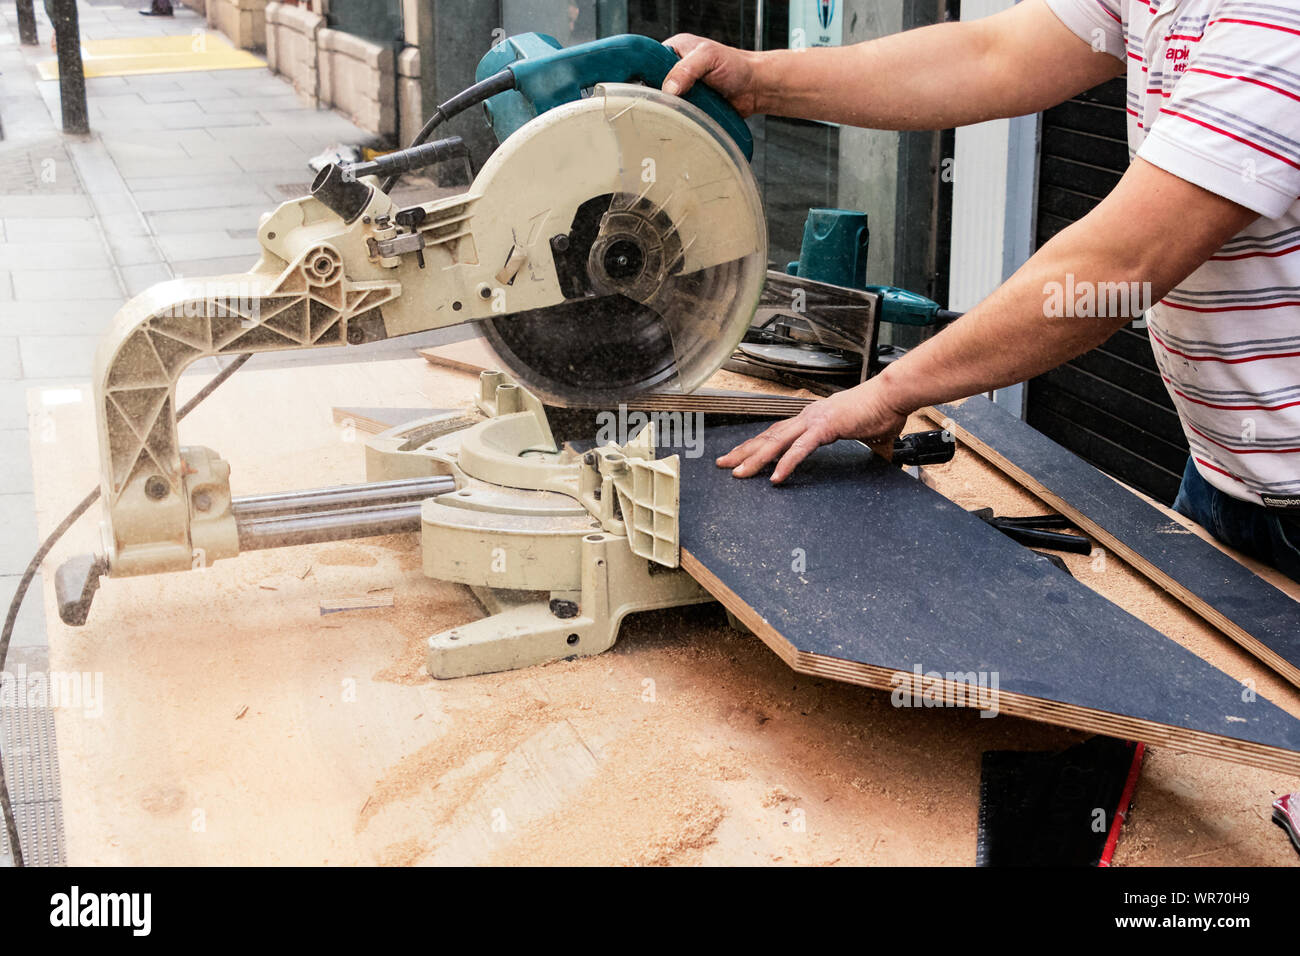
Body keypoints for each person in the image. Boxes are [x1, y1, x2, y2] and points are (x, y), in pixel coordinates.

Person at [662, 0, 1300, 581]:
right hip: (1221, 470)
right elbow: (988, 56)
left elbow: (1118, 268)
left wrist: (892, 390)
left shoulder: (1273, 19)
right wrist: (756, 79)